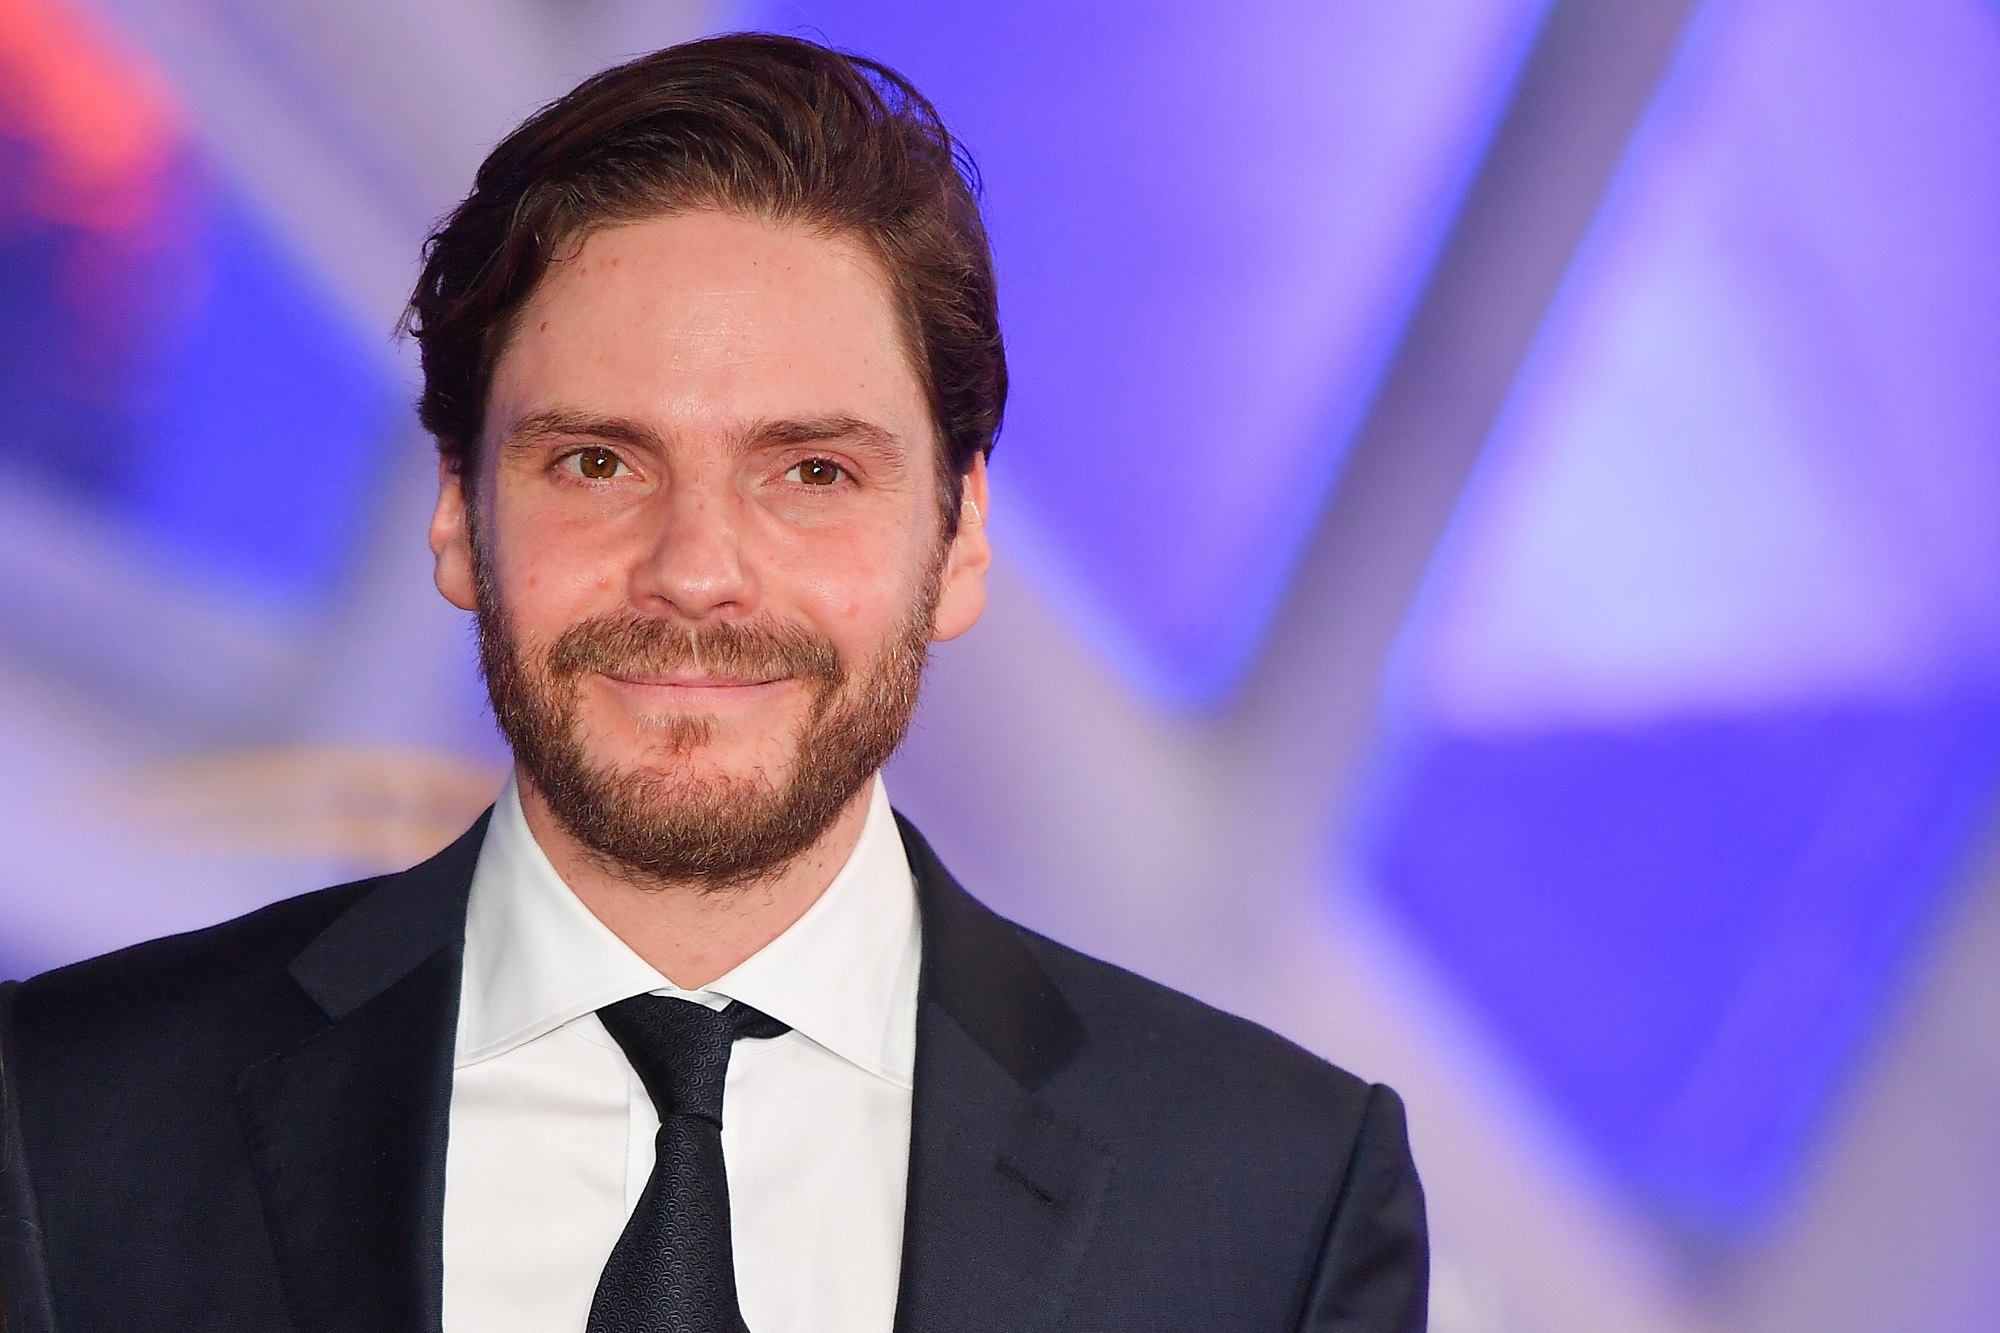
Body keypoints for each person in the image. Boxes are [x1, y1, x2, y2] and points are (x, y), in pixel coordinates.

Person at [0, 33, 1426, 1333]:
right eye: (597, 462)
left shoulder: (1277, 1205)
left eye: (811, 472)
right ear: (455, 515)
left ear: (962, 538)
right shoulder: (68, 1125)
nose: (695, 571)